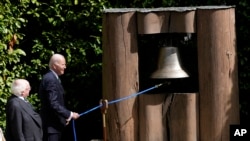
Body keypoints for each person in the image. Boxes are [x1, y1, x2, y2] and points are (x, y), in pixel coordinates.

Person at [39, 53, 80, 141]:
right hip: (52, 127)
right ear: (54, 65)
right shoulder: (50, 79)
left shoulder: (54, 78)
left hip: (55, 125)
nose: (65, 67)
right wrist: (70, 114)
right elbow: (53, 103)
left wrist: (64, 117)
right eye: (63, 64)